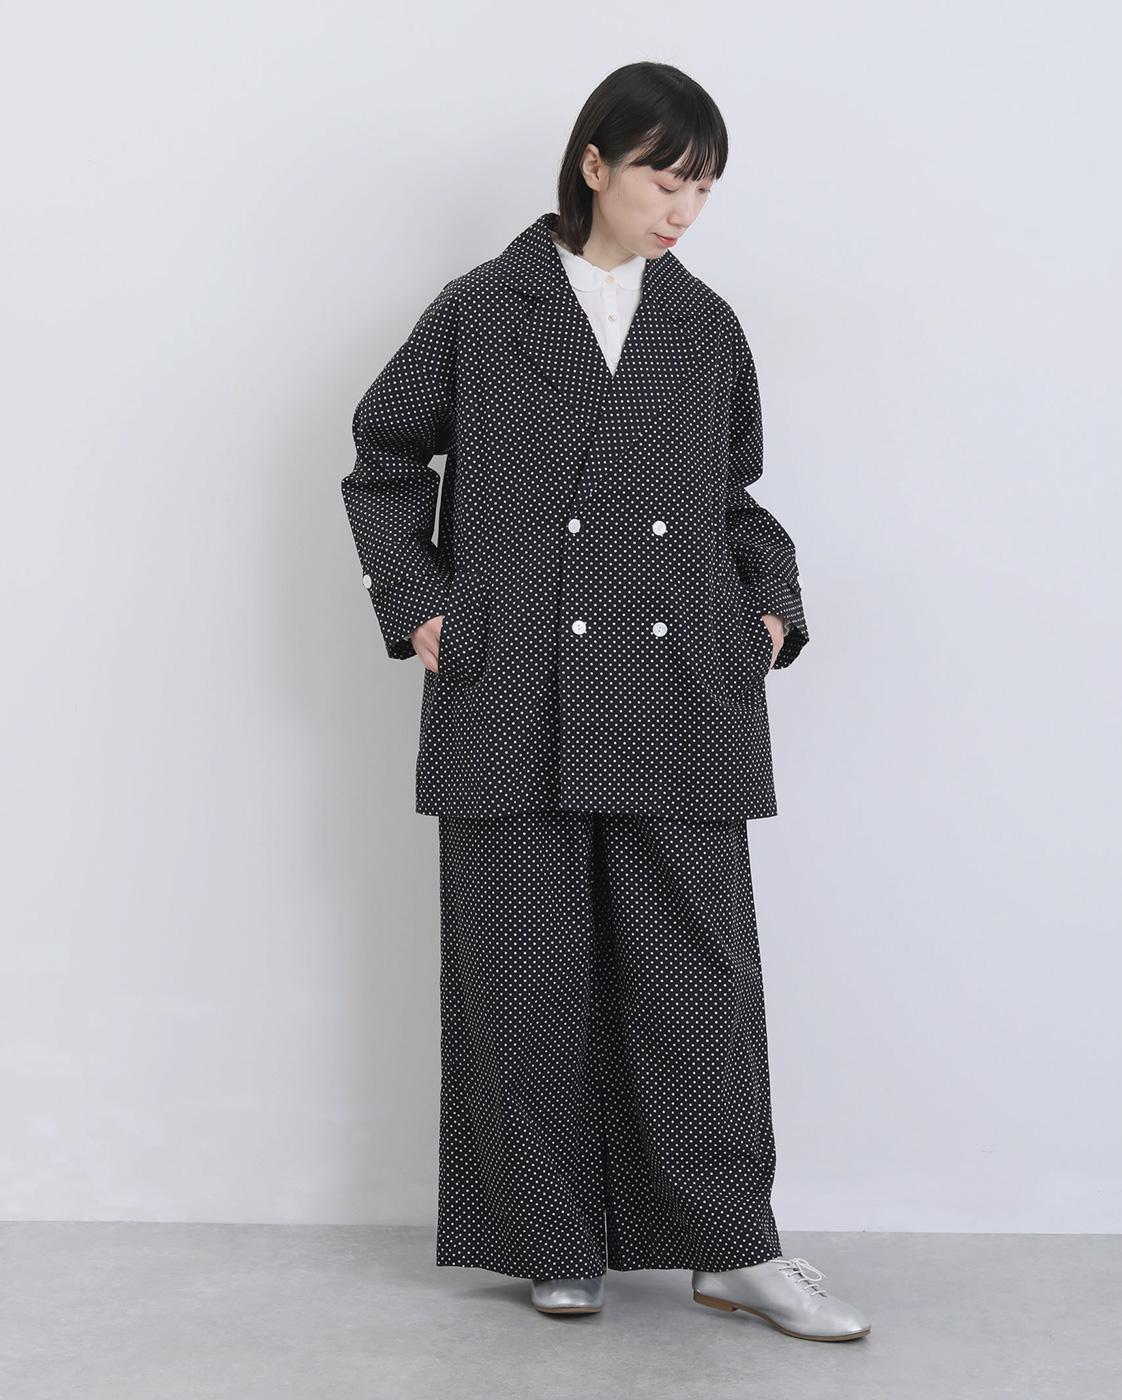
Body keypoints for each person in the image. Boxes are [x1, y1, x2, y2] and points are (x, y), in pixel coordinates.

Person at [340, 61, 871, 1343]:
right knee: (524, 977)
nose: (683, 208)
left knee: (697, 981)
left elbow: (734, 500)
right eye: (663, 177)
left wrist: (770, 610)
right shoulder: (484, 308)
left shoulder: (706, 326)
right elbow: (381, 459)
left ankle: (733, 1247)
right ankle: (551, 1238)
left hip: (682, 685)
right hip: (511, 680)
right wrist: (422, 602)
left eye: (704, 188)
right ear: (595, 164)